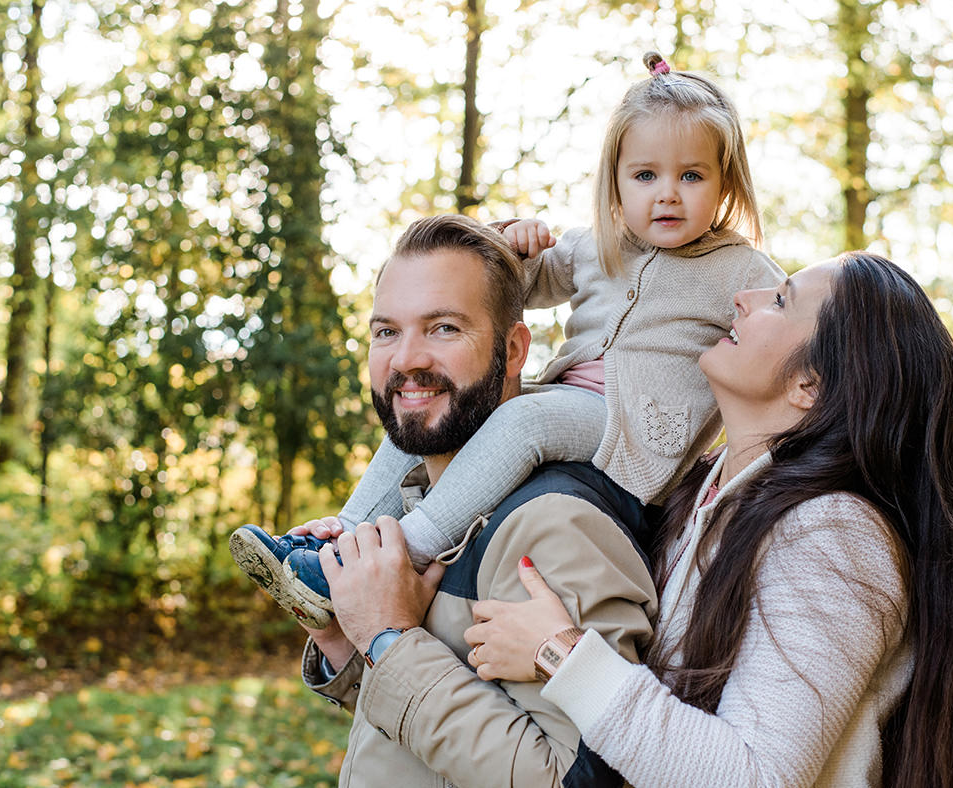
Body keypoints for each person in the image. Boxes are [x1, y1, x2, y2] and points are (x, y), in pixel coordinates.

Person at [228, 50, 782, 627]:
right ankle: (343, 543)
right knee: (426, 404)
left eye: (691, 175)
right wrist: (518, 249)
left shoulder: (742, 270)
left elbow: (792, 337)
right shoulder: (597, 245)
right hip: (568, 399)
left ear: (726, 181)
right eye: (646, 175)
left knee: (521, 423)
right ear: (615, 181)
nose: (667, 193)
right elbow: (518, 291)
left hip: (639, 429)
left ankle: (407, 550)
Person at [464, 252, 953, 787]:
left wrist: (560, 654)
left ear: (810, 385)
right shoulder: (697, 490)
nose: (741, 299)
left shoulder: (833, 534)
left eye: (779, 300)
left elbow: (755, 775)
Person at [297, 213, 659, 787]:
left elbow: (587, 777)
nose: (406, 359)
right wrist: (352, 641)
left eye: (443, 328)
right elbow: (437, 737)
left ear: (515, 350)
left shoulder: (550, 525)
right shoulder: (429, 507)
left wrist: (389, 640)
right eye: (386, 331)